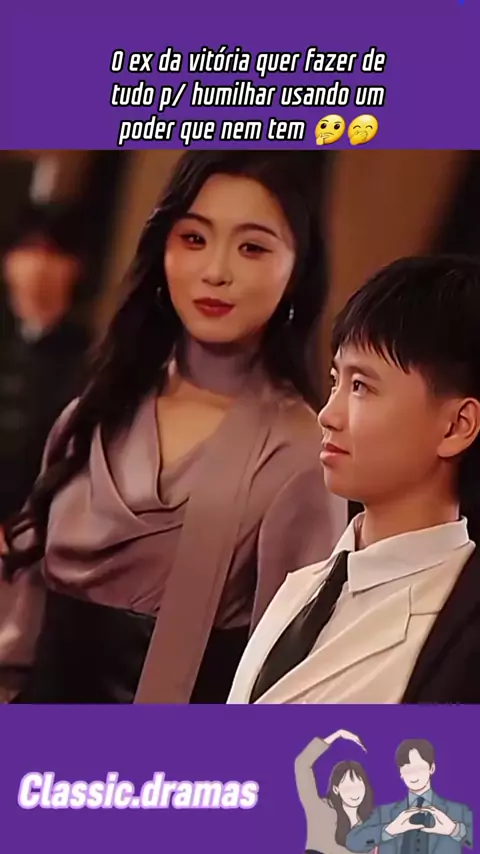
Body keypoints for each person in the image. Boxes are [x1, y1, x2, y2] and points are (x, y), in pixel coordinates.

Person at [0, 151, 346, 704]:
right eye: (194, 238)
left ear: (297, 269)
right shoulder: (93, 414)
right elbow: (21, 629)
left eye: (252, 247)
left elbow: (285, 684)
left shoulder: (300, 455)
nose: (216, 270)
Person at [227, 254, 480, 705]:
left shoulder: (458, 630)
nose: (328, 414)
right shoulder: (302, 588)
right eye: (335, 382)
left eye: (361, 386)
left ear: (456, 426)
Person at [0, 203, 89, 523]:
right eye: (28, 249)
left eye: (53, 252)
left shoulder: (92, 358)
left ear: (76, 266)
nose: (39, 265)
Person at [346, 739, 472, 853]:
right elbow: (352, 841)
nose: (413, 775)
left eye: (419, 768)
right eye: (407, 769)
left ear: (432, 768)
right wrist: (390, 830)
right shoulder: (383, 813)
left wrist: (454, 830)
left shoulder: (458, 811)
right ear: (400, 773)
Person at [294, 729, 375, 854]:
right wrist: (337, 735)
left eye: (359, 786)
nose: (355, 793)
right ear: (336, 789)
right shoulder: (320, 810)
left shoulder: (368, 824)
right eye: (348, 787)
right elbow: (302, 764)